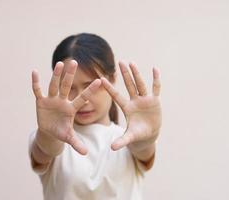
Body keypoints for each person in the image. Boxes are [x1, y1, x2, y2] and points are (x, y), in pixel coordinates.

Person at [28, 33, 162, 200]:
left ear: (112, 78)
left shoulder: (129, 138)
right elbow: (45, 148)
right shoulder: (52, 137)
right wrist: (47, 134)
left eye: (91, 86)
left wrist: (148, 136)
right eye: (70, 88)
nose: (82, 99)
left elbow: (143, 149)